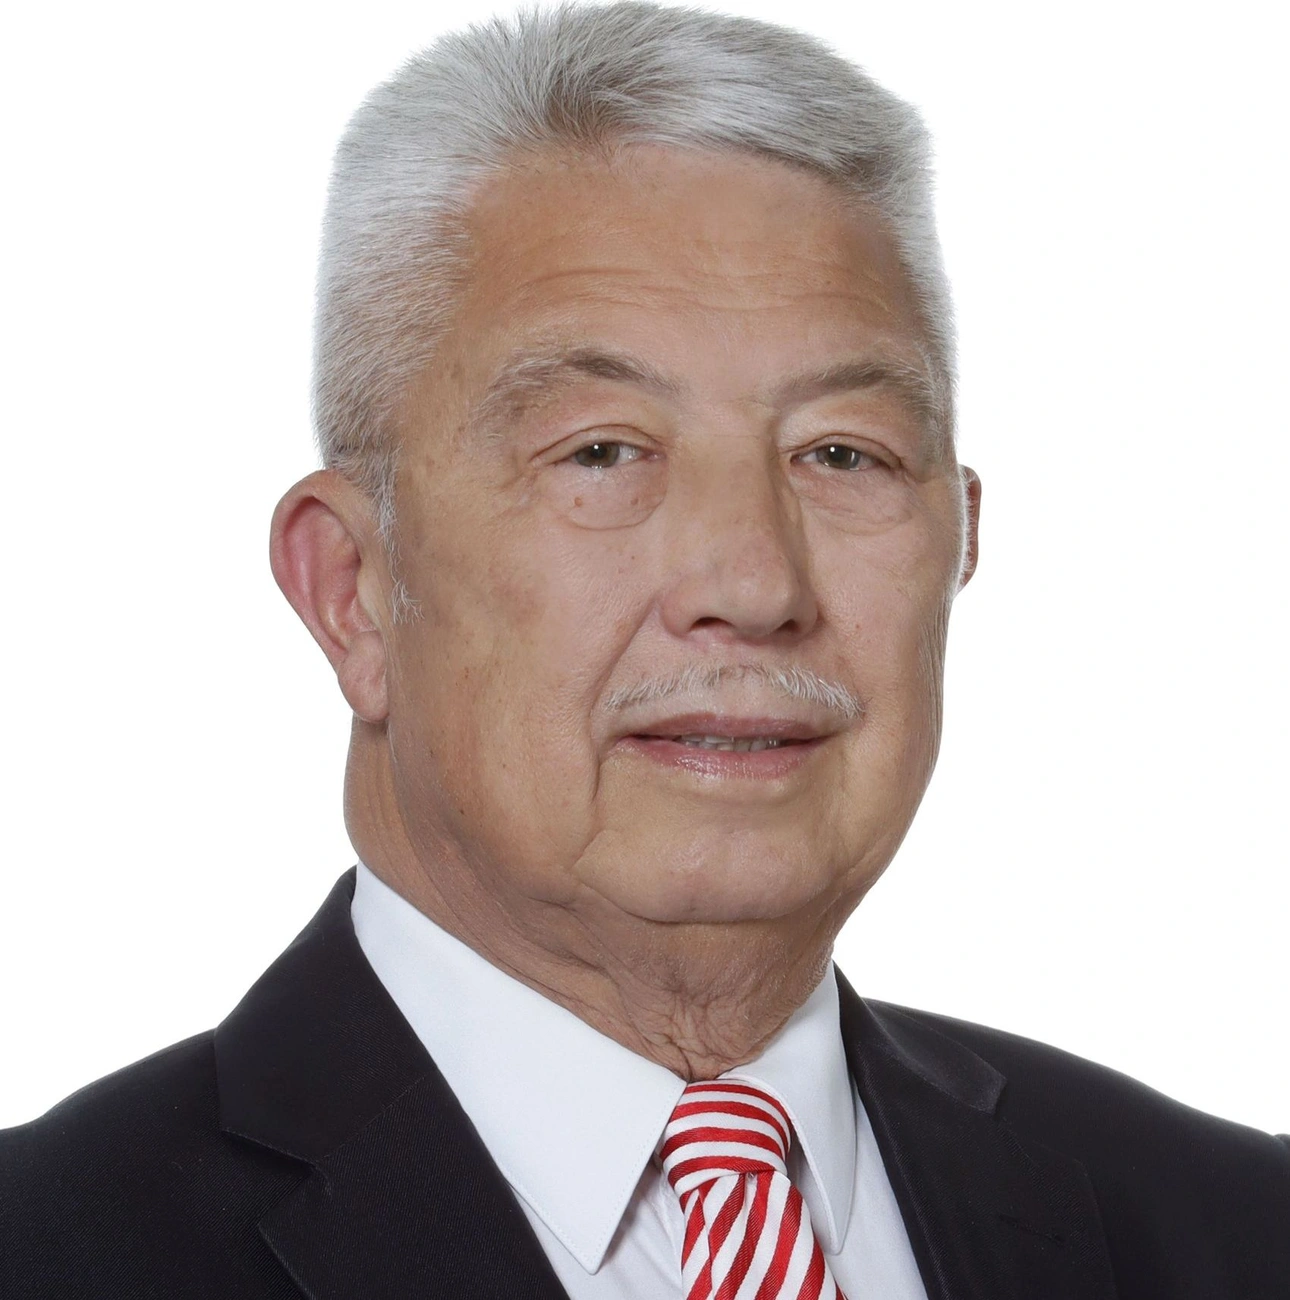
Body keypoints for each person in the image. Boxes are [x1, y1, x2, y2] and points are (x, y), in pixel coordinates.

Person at [1, 3, 1285, 1297]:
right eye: (602, 452)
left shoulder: (1236, 1231)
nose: (755, 584)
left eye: (842, 454)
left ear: (960, 540)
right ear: (353, 590)